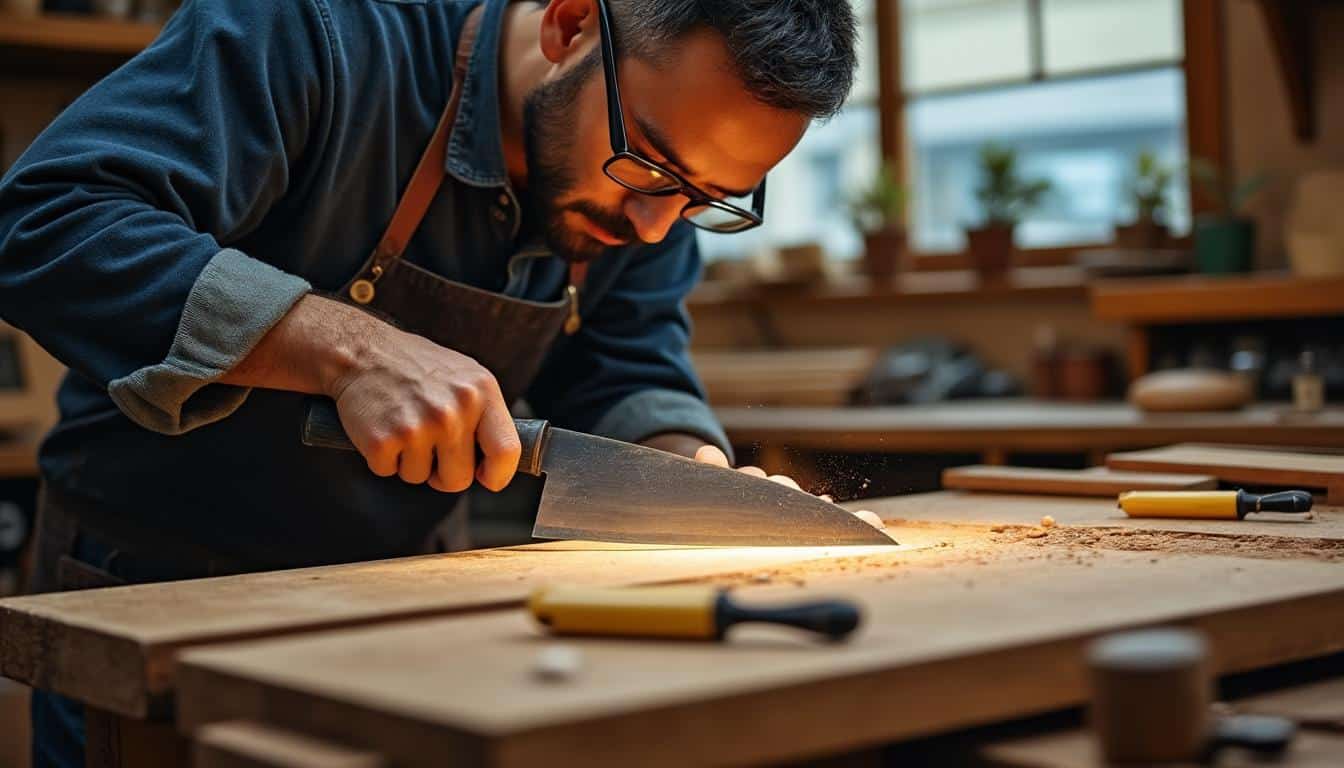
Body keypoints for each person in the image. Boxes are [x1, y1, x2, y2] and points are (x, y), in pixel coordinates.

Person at [0, 0, 857, 762]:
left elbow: (624, 362)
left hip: (407, 602)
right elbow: (47, 222)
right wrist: (347, 349)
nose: (657, 224)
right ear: (569, 25)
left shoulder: (650, 190)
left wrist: (685, 472)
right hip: (158, 587)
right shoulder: (313, 30)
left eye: (708, 199)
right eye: (653, 168)